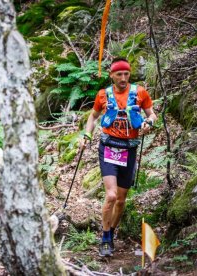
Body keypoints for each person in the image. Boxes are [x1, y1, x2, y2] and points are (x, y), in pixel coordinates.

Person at [80, 57, 157, 257]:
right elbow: (93, 116)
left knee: (121, 200)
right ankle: (105, 237)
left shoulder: (139, 92)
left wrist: (149, 122)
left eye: (126, 74)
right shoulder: (103, 95)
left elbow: (152, 114)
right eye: (119, 74)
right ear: (112, 75)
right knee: (112, 195)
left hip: (129, 149)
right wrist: (86, 134)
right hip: (108, 147)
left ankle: (111, 231)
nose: (123, 78)